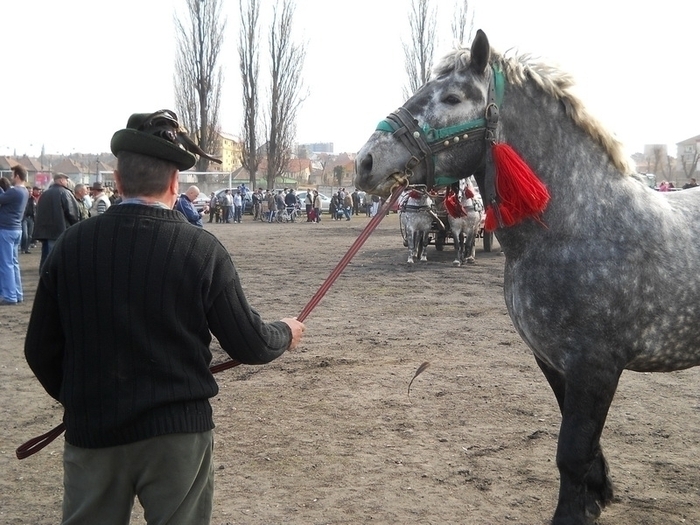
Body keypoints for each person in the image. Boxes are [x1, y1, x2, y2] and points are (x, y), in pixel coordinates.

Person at [24, 109, 306, 525]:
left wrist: (80, 400)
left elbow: (39, 349)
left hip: (94, 431)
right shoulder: (202, 249)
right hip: (178, 435)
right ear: (176, 183)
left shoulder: (70, 246)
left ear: (118, 182)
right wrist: (286, 332)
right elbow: (251, 343)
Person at [32, 172, 81, 270]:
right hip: (59, 231)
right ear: (61, 180)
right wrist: (77, 226)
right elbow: (72, 213)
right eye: (66, 180)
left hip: (45, 232)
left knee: (46, 257)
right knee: (56, 258)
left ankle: (44, 277)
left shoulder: (45, 194)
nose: (67, 182)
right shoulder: (65, 193)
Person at [0, 166, 29, 304]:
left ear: (17, 176)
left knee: (6, 264)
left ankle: (10, 296)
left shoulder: (14, 192)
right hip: (16, 229)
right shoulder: (24, 191)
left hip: (7, 229)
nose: (11, 177)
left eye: (12, 175)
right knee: (13, 263)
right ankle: (17, 294)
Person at [21, 186, 39, 254]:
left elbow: (36, 209)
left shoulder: (34, 199)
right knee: (25, 234)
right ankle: (23, 248)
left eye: (31, 191)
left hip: (31, 218)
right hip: (24, 218)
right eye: (28, 191)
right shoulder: (23, 199)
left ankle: (26, 248)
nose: (30, 193)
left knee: (30, 235)